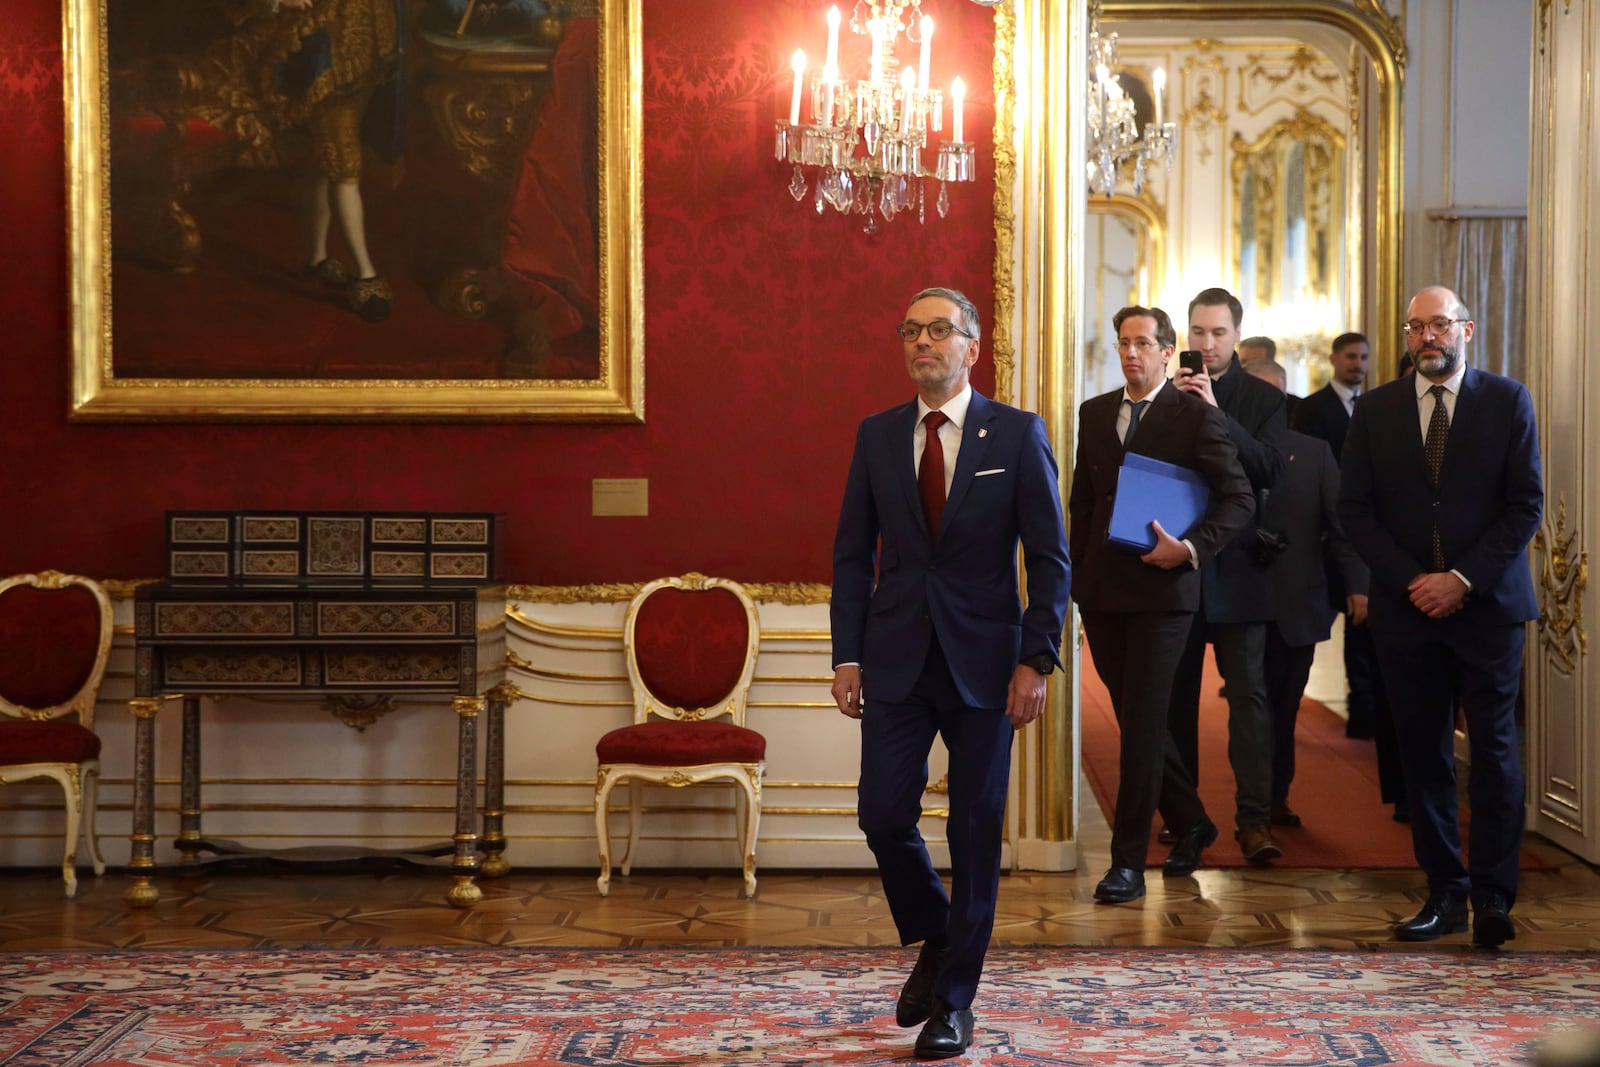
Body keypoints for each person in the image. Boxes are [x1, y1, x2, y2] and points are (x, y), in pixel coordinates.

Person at [830, 287, 1071, 1057]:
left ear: (972, 345)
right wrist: (847, 652)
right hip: (896, 659)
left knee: (973, 832)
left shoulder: (1017, 433)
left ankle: (955, 1002)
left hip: (988, 668)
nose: (922, 343)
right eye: (911, 331)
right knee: (882, 815)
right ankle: (939, 938)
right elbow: (849, 556)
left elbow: (1050, 559)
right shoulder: (876, 436)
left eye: (939, 330)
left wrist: (1037, 657)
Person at [1338, 285, 1543, 948]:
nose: (1428, 336)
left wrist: (1460, 579)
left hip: (1486, 610)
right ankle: (1444, 892)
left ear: (1467, 329)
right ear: (1407, 336)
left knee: (1495, 753)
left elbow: (1525, 506)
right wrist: (1413, 581)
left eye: (1440, 324)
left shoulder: (1508, 401)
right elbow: (1356, 512)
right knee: (1422, 756)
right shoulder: (1375, 410)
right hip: (1408, 612)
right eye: (1416, 326)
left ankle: (1492, 894)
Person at [1071, 306, 1252, 903]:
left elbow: (1238, 499)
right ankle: (1193, 820)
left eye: (1144, 343)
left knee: (1144, 726)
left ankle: (1126, 864)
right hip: (1102, 595)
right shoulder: (1094, 414)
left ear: (1167, 352)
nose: (1131, 353)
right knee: (1137, 723)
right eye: (1124, 342)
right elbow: (1083, 504)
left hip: (1164, 594)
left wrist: (1192, 550)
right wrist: (1073, 581)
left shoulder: (1194, 414)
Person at [1168, 287, 1288, 863]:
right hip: (1178, 568)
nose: (1207, 344)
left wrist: (1215, 412)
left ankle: (1255, 822)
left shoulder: (1262, 398)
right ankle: (1184, 819)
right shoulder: (1168, 393)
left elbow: (1268, 468)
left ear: (1236, 336)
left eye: (1217, 333)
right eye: (1197, 333)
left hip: (1241, 567)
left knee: (1249, 700)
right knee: (1175, 701)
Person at [1245, 358, 1368, 825]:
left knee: (1283, 708)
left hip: (1297, 605)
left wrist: (1358, 587)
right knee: (1248, 711)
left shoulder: (1314, 454)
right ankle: (1250, 805)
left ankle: (1275, 798)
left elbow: (1342, 530)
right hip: (1237, 605)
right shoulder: (1221, 447)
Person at [1293, 331, 1406, 818]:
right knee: (1347, 624)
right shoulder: (1313, 408)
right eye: (1351, 356)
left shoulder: (1378, 406)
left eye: (1365, 356)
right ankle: (1363, 708)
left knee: (1367, 629)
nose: (1359, 364)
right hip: (1328, 535)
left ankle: (1364, 713)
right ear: (1334, 359)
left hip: (1370, 534)